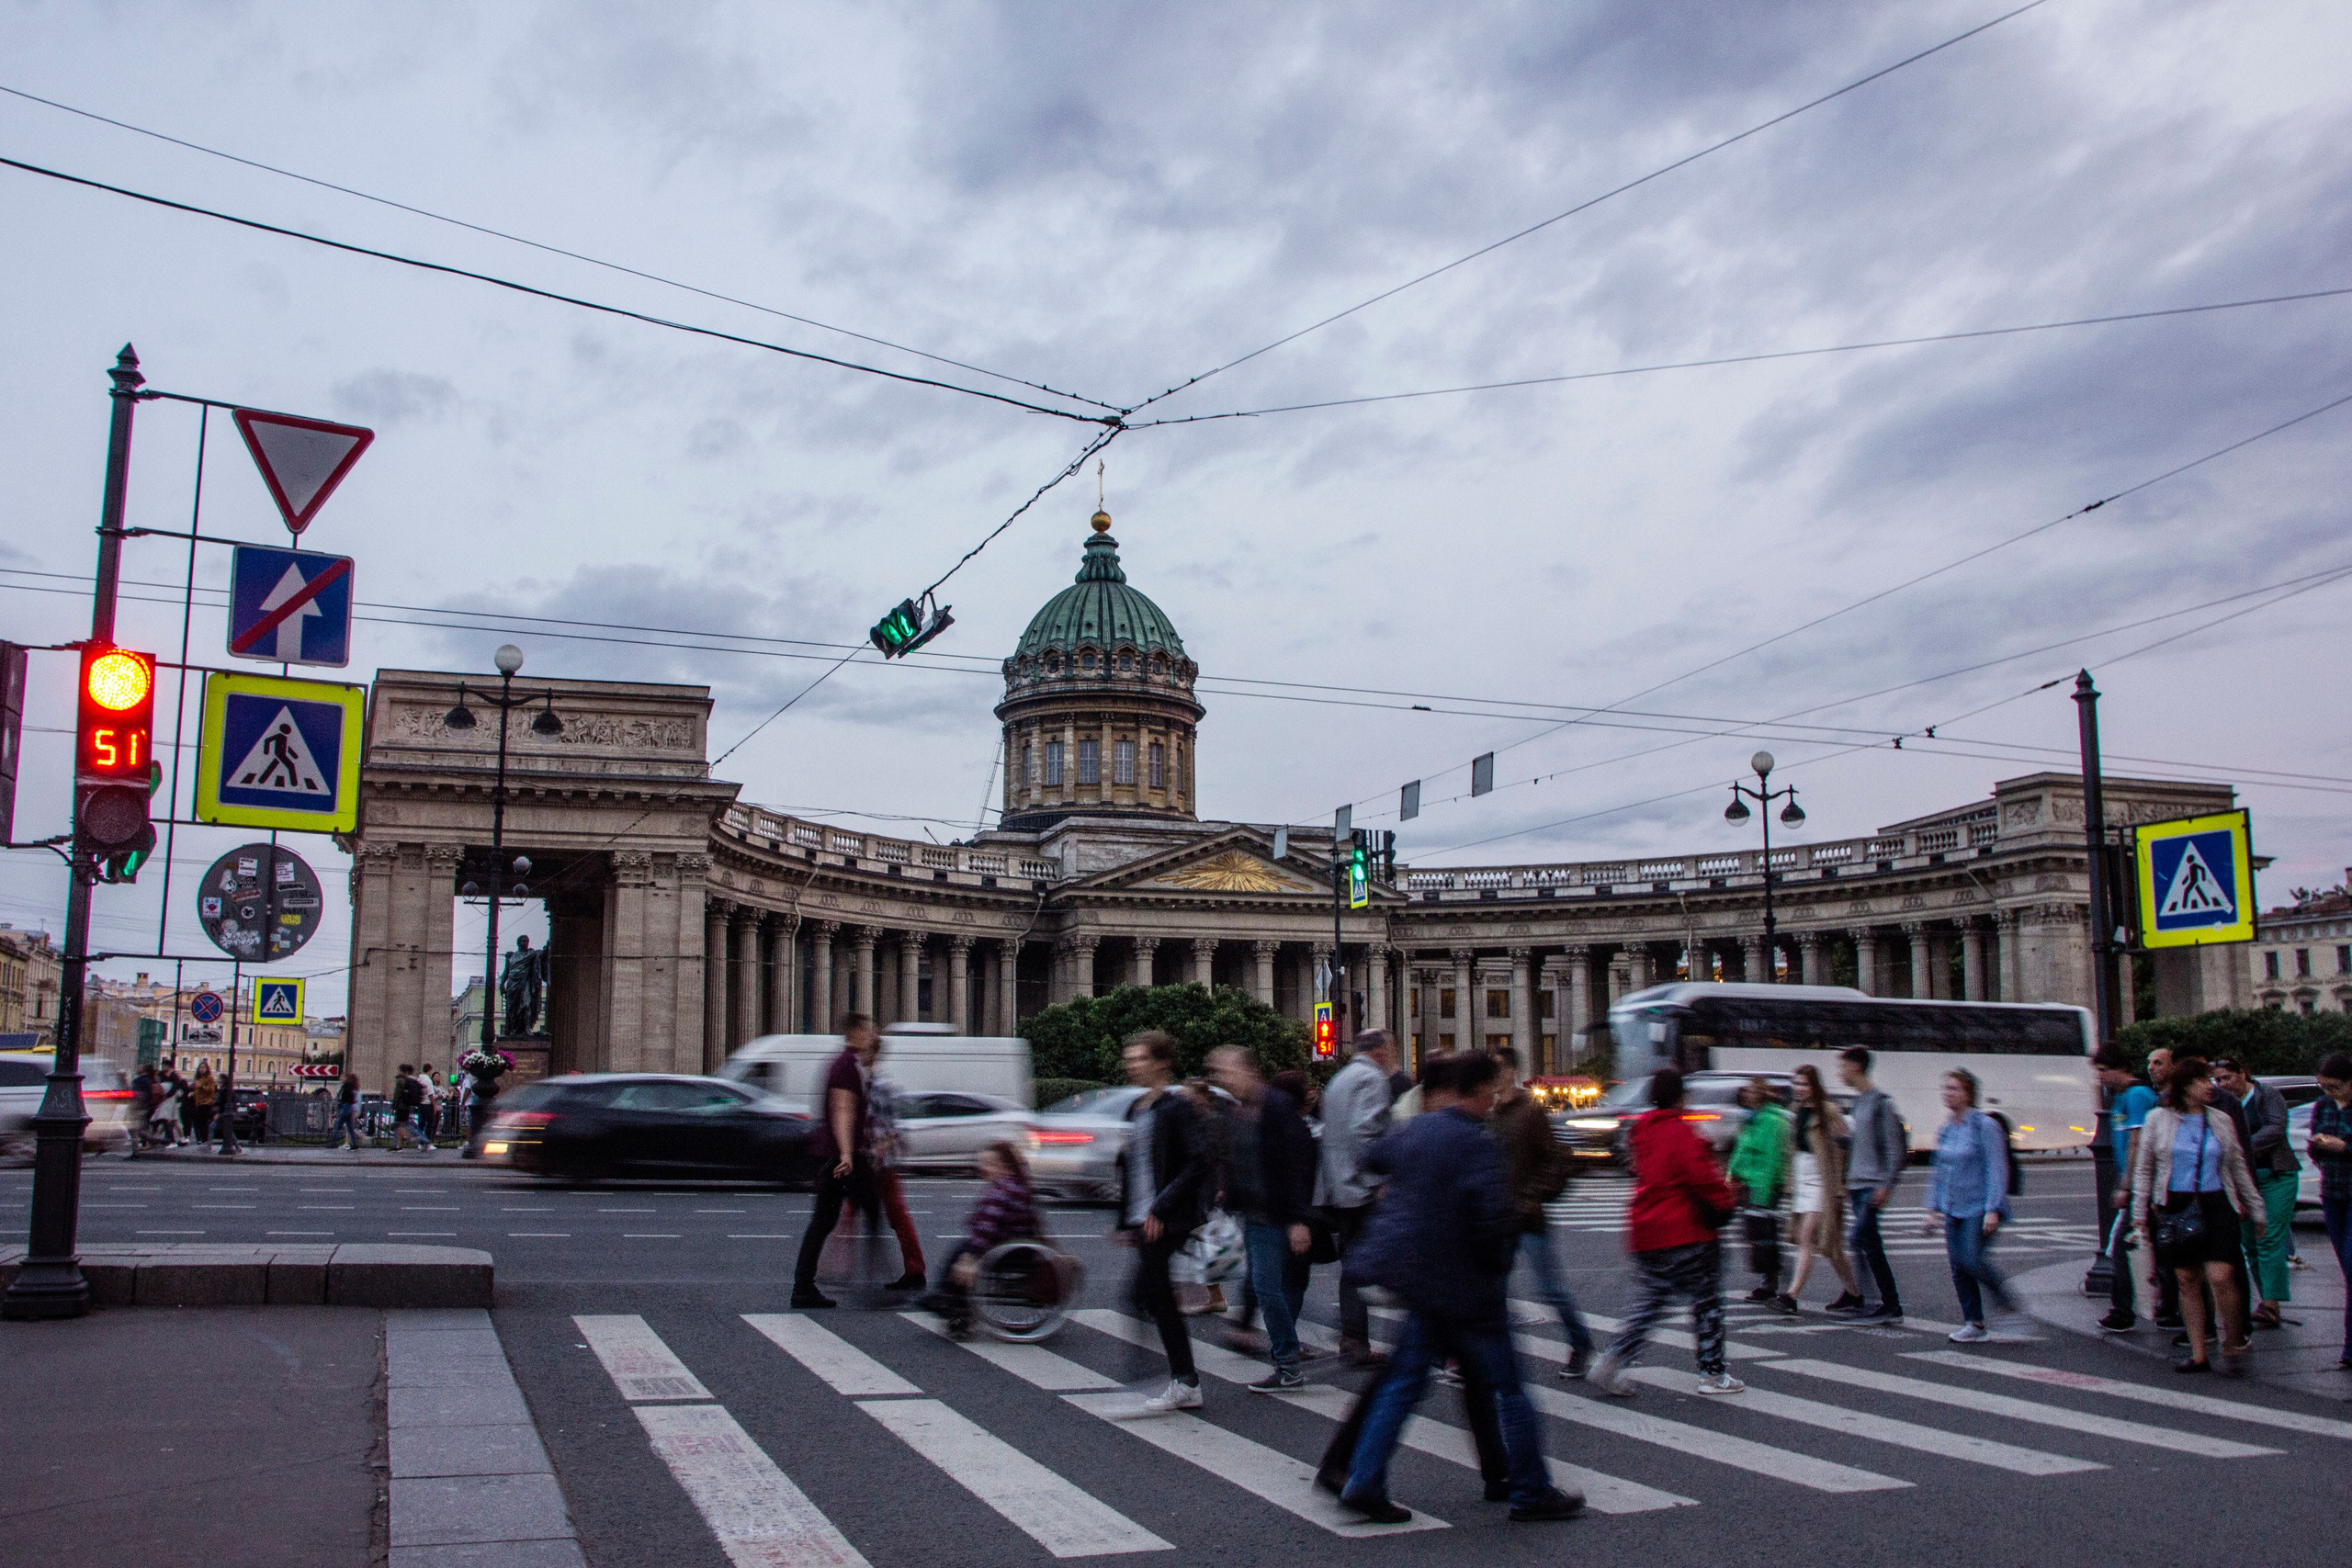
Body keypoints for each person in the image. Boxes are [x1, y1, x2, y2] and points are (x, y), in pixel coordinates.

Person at [1333, 1051, 1583, 1524]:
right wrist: (1494, 1269)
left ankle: (1363, 1480)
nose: (1494, 1101)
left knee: (1403, 1384)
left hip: (1420, 1284)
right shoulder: (1477, 1143)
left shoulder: (1417, 1130)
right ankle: (1530, 1490)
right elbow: (1491, 1219)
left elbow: (1373, 1156)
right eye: (1490, 1091)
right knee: (1510, 1389)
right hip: (1469, 1289)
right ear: (1479, 1092)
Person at [1589, 1066, 1744, 1397]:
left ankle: (1613, 1359)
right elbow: (1701, 1178)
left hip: (1646, 1229)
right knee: (1707, 1301)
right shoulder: (1681, 1133)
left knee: (1651, 1302)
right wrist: (1728, 1199)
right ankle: (1712, 1373)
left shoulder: (1641, 1130)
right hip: (1685, 1230)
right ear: (1679, 1097)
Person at [2132, 1054, 2265, 1375]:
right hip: (2175, 1205)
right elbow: (2145, 1168)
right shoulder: (2158, 1119)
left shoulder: (2220, 1119)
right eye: (2202, 1081)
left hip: (2217, 1203)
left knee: (2221, 1276)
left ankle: (2233, 1339)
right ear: (2184, 1087)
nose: (2210, 1086)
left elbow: (2237, 1167)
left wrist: (2256, 1207)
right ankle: (2199, 1352)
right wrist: (2139, 1214)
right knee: (2187, 1279)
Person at [1111, 1029, 1210, 1414]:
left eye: (1140, 1058)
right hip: (1144, 1218)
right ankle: (1179, 1377)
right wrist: (1125, 1221)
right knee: (1150, 1295)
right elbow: (1133, 1168)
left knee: (1150, 1294)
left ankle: (1180, 1379)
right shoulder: (1138, 1108)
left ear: (1162, 1062)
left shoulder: (1177, 1108)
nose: (1131, 1064)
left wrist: (1160, 1210)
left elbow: (1197, 1161)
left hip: (1164, 1218)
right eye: (1130, 1058)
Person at [1206, 1045, 1317, 1391]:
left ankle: (1288, 1362)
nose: (1223, 1078)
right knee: (1272, 1288)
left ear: (1249, 1071)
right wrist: (1227, 1191)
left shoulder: (1277, 1107)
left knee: (1270, 1289)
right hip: (1255, 1215)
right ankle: (1288, 1355)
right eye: (1219, 1073)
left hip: (1279, 1214)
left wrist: (1299, 1219)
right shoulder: (1237, 1111)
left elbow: (1297, 1163)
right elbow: (1234, 1158)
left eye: (1228, 1071)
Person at [1489, 1046, 1596, 1377]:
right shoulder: (1492, 1114)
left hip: (1528, 1215)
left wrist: (1532, 1196)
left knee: (1551, 1289)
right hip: (1501, 1217)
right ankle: (1492, 1358)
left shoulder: (1529, 1112)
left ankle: (1581, 1344)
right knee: (1493, 1291)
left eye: (1496, 1069)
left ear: (1510, 1072)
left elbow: (1556, 1158)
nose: (1491, 1077)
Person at [1925, 1069, 2033, 1343]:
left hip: (1979, 1208)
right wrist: (1932, 1210)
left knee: (1971, 1259)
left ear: (1968, 1094)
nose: (1948, 1093)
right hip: (1953, 1207)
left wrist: (1993, 1208)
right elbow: (1939, 1171)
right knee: (1958, 1268)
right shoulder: (1947, 1128)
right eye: (1946, 1088)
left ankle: (2007, 1302)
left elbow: (1997, 1168)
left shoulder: (1984, 1126)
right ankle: (1973, 1322)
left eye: (1955, 1089)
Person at [1317, 1028, 1396, 1367]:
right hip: (1361, 1188)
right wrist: (1378, 1178)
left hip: (1339, 1187)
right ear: (1380, 1050)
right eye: (1391, 1049)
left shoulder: (1340, 1078)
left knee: (1353, 1267)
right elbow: (1365, 1132)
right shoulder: (1372, 1078)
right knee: (1385, 1260)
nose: (1393, 1056)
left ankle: (1353, 1339)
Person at [791, 1015, 882, 1310]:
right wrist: (845, 1154)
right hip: (845, 1157)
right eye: (868, 1030)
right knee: (866, 1212)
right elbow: (842, 1109)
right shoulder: (845, 1065)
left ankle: (804, 1288)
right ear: (856, 1032)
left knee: (825, 1222)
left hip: (841, 1154)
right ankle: (874, 1283)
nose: (872, 1034)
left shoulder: (848, 1063)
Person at [921, 1140, 1040, 1337]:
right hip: (1018, 1248)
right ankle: (947, 1298)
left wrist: (970, 1258)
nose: (982, 1168)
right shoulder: (1018, 1186)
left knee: (959, 1254)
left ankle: (948, 1300)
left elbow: (986, 1227)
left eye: (988, 1164)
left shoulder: (1001, 1191)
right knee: (960, 1249)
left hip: (1005, 1251)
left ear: (1005, 1167)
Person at [2212, 1057, 2299, 1330]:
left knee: (2269, 1236)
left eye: (2228, 1077)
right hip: (2244, 1179)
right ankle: (2266, 1298)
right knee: (2250, 1241)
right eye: (2219, 1079)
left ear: (2243, 1073)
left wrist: (2244, 1148)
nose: (2224, 1084)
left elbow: (2276, 1127)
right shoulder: (2223, 1103)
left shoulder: (2266, 1095)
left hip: (2275, 1174)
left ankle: (2271, 1303)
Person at [1832, 1047, 1906, 1324]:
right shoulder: (1859, 1102)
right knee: (1868, 1242)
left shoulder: (1881, 1104)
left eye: (1843, 1067)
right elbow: (1862, 1147)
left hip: (1872, 1185)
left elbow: (1894, 1150)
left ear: (1856, 1067)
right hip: (1857, 1183)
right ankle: (1882, 1302)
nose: (1840, 1073)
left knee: (1860, 1239)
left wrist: (1886, 1185)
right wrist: (1842, 1140)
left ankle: (1883, 1301)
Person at [1780, 1063, 1860, 1314]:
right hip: (1803, 1179)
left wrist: (1839, 1188)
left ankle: (1792, 1295)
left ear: (1814, 1086)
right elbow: (1795, 1150)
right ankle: (1854, 1293)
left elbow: (1842, 1151)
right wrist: (1790, 1183)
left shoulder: (1829, 1111)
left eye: (1804, 1084)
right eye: (1796, 1084)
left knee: (1807, 1237)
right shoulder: (1797, 1110)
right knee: (1832, 1246)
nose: (1799, 1089)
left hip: (1822, 1182)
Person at [2094, 1047, 2159, 1332]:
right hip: (2138, 1185)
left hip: (2143, 1187)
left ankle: (2123, 1311)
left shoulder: (2137, 1096)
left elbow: (2137, 1143)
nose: (2100, 1077)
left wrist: (2126, 1185)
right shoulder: (2123, 1098)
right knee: (2140, 1247)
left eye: (2103, 1070)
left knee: (2124, 1247)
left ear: (2119, 1068)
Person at [1725, 1077, 1792, 1305]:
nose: (1746, 1094)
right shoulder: (1751, 1118)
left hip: (1764, 1185)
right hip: (1748, 1183)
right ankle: (1769, 1278)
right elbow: (1741, 1151)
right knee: (1754, 1233)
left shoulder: (1773, 1121)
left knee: (1763, 1234)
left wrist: (1763, 1188)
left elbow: (1773, 1158)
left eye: (1751, 1091)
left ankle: (1772, 1280)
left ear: (1761, 1094)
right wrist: (1732, 1176)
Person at [861, 1067, 928, 1292]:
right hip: (875, 1160)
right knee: (892, 1215)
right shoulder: (872, 1085)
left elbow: (889, 1128)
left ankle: (914, 1269)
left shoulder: (877, 1086)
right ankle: (912, 1268)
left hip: (880, 1163)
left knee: (895, 1215)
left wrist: (879, 1151)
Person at [2306, 1053, 2352, 1371]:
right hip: (2332, 1193)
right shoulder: (2323, 1107)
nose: (2330, 1093)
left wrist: (2345, 1148)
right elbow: (2313, 1148)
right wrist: (2318, 1145)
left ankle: (2350, 1347)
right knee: (2347, 1270)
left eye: (2335, 1087)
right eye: (2324, 1087)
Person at [391, 1064, 424, 1152]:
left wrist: (393, 1107)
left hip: (400, 1106)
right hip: (407, 1105)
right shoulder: (410, 1080)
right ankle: (398, 1145)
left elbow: (397, 1095)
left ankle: (409, 1137)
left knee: (400, 1124)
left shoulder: (400, 1080)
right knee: (400, 1124)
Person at [188, 1062, 219, 1145]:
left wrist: (201, 1086)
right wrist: (193, 1093)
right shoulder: (199, 1079)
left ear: (207, 1069)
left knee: (203, 1122)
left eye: (203, 1067)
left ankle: (204, 1139)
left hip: (206, 1103)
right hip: (198, 1102)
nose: (202, 1069)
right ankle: (201, 1139)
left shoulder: (209, 1078)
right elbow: (198, 1090)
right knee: (197, 1122)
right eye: (200, 1067)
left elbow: (211, 1090)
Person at [331, 1071, 361, 1151]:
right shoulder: (351, 1086)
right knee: (350, 1128)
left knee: (338, 1125)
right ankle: (355, 1144)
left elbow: (345, 1098)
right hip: (350, 1108)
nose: (341, 1078)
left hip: (346, 1107)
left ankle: (333, 1142)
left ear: (346, 1078)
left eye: (342, 1076)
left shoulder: (346, 1086)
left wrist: (341, 1104)